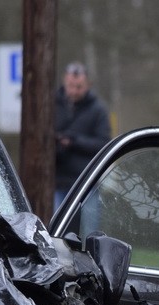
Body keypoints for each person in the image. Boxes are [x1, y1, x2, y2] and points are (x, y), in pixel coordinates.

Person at [54, 61, 111, 209]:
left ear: (88, 85)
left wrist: (73, 141)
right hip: (56, 182)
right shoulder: (51, 105)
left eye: (78, 87)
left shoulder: (98, 110)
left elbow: (103, 144)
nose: (73, 91)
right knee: (54, 229)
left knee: (88, 231)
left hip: (87, 183)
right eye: (70, 86)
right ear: (64, 82)